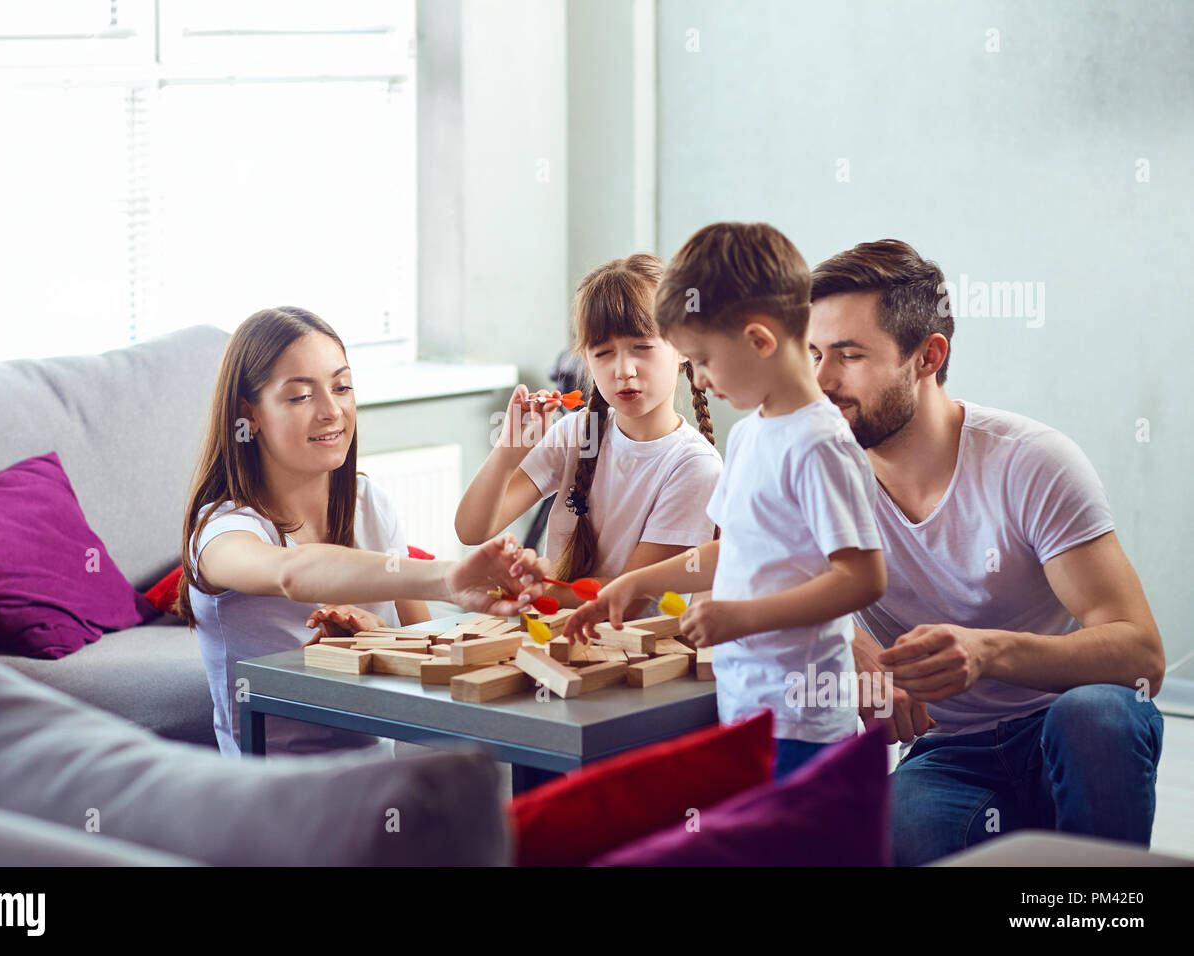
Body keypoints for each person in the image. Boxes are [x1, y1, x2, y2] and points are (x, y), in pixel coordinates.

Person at [807, 239, 1166, 864]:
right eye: (812, 354)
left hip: (1061, 721)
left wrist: (989, 651)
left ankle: (1107, 910)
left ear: (928, 356)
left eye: (849, 355)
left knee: (1101, 718)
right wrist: (845, 635)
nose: (821, 381)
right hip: (950, 750)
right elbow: (737, 567)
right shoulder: (817, 472)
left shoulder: (1032, 462)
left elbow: (1141, 654)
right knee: (898, 833)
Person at [566, 224, 887, 780]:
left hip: (805, 723)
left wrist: (740, 616)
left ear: (761, 341)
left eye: (704, 360)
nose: (701, 378)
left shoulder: (820, 445)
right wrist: (639, 583)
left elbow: (862, 579)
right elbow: (732, 552)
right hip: (745, 709)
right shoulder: (750, 434)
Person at [175, 306, 547, 756]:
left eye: (341, 386)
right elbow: (291, 572)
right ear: (248, 414)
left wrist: (379, 641)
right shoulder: (220, 534)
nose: (332, 411)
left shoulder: (370, 503)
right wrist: (447, 579)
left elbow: (429, 665)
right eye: (299, 397)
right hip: (276, 797)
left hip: (378, 782)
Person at [456, 253, 722, 621]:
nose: (623, 370)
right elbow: (471, 530)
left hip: (635, 661)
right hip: (560, 644)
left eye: (642, 347)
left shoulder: (696, 466)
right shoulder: (575, 432)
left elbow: (627, 598)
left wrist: (529, 590)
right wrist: (506, 454)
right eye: (603, 352)